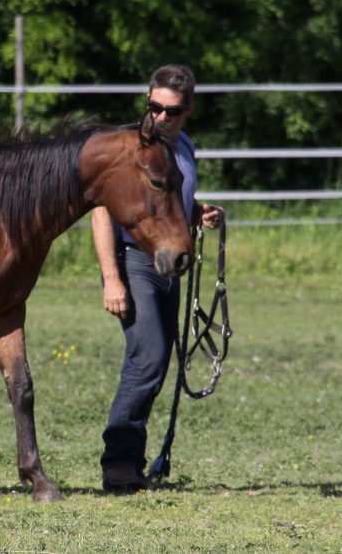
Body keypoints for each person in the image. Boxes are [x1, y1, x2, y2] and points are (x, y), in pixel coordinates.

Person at [92, 64, 221, 492]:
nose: (162, 117)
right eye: (155, 107)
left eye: (173, 111)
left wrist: (199, 211)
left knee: (159, 359)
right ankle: (118, 463)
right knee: (148, 354)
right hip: (134, 261)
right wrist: (111, 277)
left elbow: (168, 199)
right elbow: (100, 211)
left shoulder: (184, 146)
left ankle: (131, 458)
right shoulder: (129, 147)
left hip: (168, 262)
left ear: (189, 110)